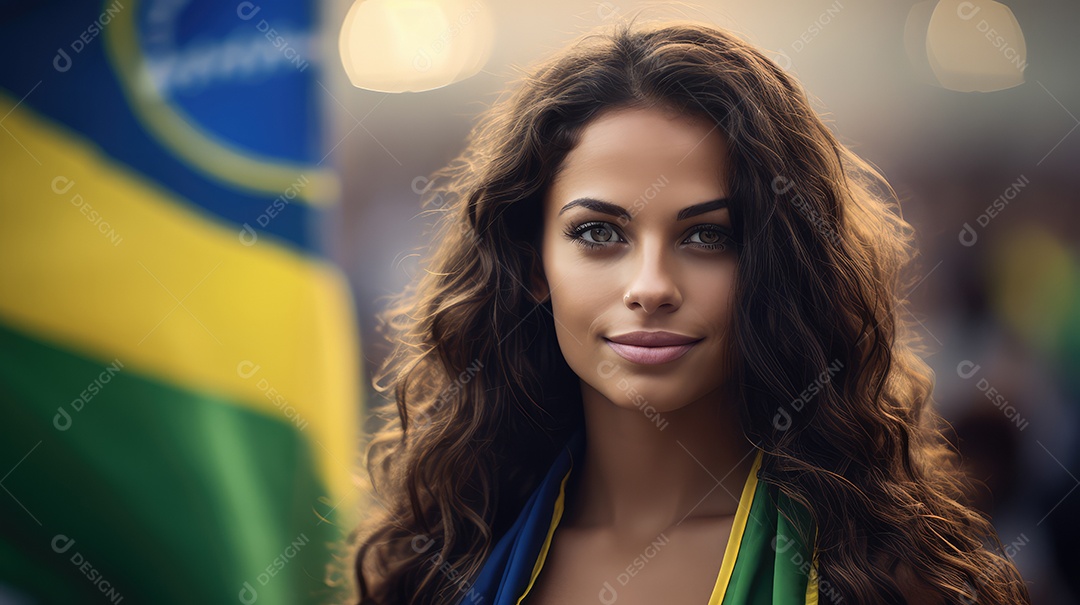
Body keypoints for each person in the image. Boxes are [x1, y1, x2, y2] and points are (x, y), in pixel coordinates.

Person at [346, 17, 1031, 605]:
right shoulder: (441, 566)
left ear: (774, 262)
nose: (651, 285)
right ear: (532, 266)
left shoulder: (887, 581)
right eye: (599, 233)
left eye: (707, 235)